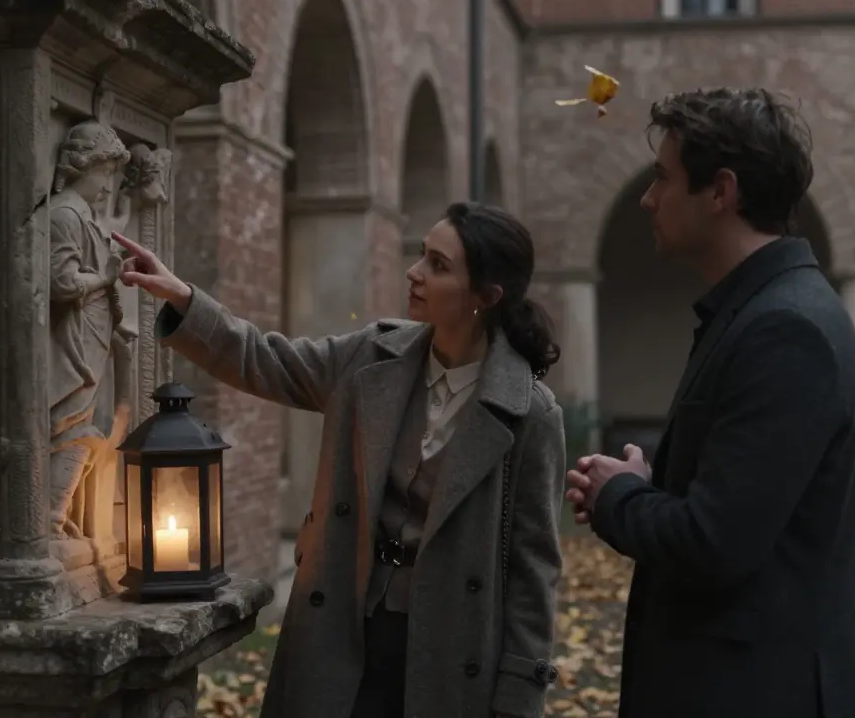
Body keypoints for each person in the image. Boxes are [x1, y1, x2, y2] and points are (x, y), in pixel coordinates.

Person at [113, 201, 566, 718]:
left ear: (485, 296)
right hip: (342, 623)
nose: (414, 273)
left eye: (438, 266)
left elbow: (534, 569)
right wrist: (184, 299)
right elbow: (266, 358)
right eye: (422, 255)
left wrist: (518, 697)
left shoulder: (529, 414)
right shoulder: (371, 357)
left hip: (450, 647)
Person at [564, 88, 855, 718]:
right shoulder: (760, 311)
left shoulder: (787, 329)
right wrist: (651, 484)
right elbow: (740, 509)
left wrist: (617, 497)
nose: (648, 199)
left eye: (662, 179)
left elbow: (714, 545)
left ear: (721, 192)